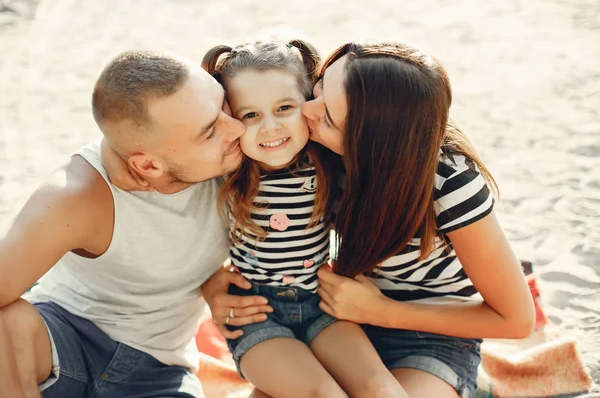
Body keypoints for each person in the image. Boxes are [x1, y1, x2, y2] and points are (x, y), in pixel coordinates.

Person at [206, 41, 536, 398]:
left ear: (369, 143)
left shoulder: (447, 183)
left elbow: (516, 320)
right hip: (342, 321)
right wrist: (213, 289)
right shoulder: (313, 148)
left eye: (328, 115)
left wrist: (383, 312)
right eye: (318, 89)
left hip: (429, 336)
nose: (308, 111)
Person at [105, 39, 407, 398]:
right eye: (250, 115)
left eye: (284, 107)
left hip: (322, 304)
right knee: (324, 394)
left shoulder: (328, 157)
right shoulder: (226, 168)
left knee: (381, 388)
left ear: (308, 104)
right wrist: (112, 155)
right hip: (256, 315)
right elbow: (137, 140)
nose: (269, 127)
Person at [0, 49, 263, 398]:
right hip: (63, 340)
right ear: (148, 166)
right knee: (9, 323)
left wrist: (213, 280)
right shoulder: (75, 194)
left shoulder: (238, 157)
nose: (238, 127)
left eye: (223, 105)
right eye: (210, 130)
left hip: (160, 372)